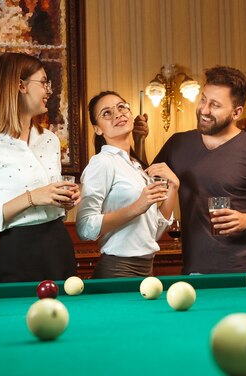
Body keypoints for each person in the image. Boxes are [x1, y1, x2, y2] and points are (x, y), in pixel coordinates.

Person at [140, 66, 246, 274]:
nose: (204, 109)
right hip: (193, 270)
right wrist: (139, 141)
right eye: (203, 99)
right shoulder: (177, 144)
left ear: (237, 112)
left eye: (215, 105)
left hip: (244, 272)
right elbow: (145, 180)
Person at [0, 52, 78, 282]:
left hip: (60, 245)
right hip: (19, 252)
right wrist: (32, 197)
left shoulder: (50, 140)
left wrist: (65, 200)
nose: (48, 90)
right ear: (20, 85)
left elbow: (51, 203)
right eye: (43, 82)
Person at [76, 91, 179, 278]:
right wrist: (137, 206)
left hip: (147, 270)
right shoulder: (102, 162)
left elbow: (153, 231)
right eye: (106, 113)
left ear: (131, 115)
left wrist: (174, 187)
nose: (117, 114)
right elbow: (84, 228)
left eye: (121, 107)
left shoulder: (137, 166)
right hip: (117, 270)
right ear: (98, 129)